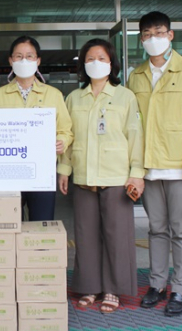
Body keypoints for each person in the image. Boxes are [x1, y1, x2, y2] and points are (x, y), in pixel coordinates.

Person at [128, 11, 182, 317]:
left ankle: (180, 288)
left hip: (181, 164)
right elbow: (133, 122)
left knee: (181, 230)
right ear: (141, 39)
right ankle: (157, 284)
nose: (154, 39)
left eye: (159, 32)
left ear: (170, 35)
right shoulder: (136, 76)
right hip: (149, 165)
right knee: (156, 229)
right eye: (147, 35)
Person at [58, 39, 145, 314]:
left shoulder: (125, 97)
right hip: (84, 176)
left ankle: (113, 289)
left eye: (102, 58)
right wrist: (64, 169)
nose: (96, 63)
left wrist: (137, 174)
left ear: (111, 63)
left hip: (116, 177)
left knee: (117, 236)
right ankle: (90, 287)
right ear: (83, 64)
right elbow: (68, 137)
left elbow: (135, 136)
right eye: (90, 58)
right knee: (85, 235)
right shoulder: (74, 98)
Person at [0, 35, 73, 221]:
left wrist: (62, 141)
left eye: (29, 56)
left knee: (41, 226)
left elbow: (65, 130)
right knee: (8, 225)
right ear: (11, 60)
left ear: (38, 60)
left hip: (42, 173)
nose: (24, 61)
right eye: (18, 56)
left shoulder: (53, 95)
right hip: (8, 173)